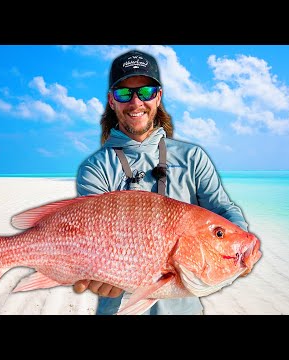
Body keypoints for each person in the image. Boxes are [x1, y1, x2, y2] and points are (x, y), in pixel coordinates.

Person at [73, 49, 249, 315]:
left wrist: (237, 250)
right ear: (111, 101)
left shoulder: (192, 158)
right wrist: (92, 273)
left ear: (159, 97)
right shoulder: (95, 169)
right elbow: (90, 239)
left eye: (145, 92)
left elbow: (223, 211)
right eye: (124, 93)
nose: (135, 102)